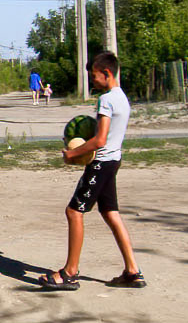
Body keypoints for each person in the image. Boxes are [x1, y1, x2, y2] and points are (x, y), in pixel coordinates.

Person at [38, 51, 145, 291]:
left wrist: (72, 154)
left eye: (94, 76)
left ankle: (69, 273)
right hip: (114, 161)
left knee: (74, 212)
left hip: (101, 163)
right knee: (110, 213)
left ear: (106, 73)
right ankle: (132, 271)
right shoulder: (122, 97)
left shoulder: (106, 100)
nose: (92, 81)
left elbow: (100, 140)